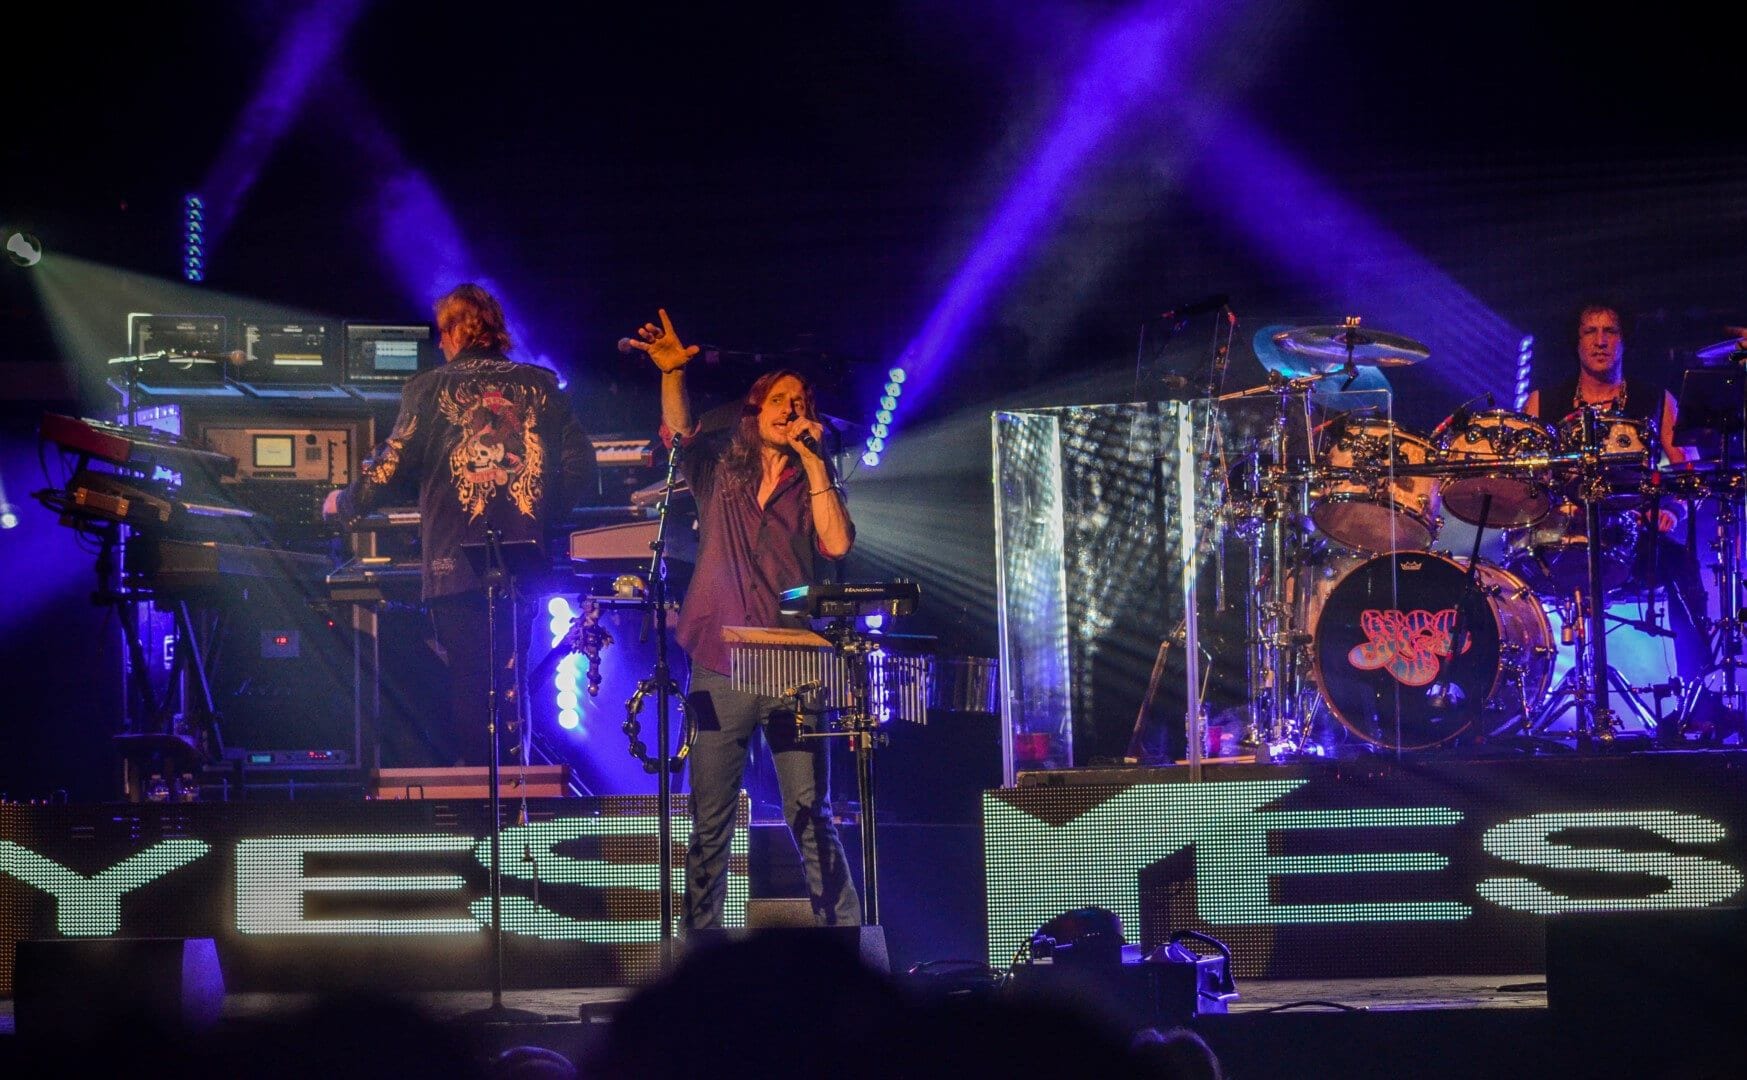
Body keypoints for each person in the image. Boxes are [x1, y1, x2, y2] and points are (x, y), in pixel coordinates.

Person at [625, 308, 860, 928]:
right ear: (756, 411)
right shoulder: (718, 468)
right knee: (710, 818)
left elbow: (837, 543)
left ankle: (843, 940)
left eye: (800, 401)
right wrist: (673, 374)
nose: (791, 407)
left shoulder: (813, 481)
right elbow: (680, 431)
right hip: (718, 663)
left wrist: (816, 462)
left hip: (792, 667)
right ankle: (701, 947)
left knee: (810, 813)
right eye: (780, 399)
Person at [324, 283, 596, 765]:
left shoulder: (428, 388)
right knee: (511, 680)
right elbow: (580, 469)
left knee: (470, 683)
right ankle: (514, 794)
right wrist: (537, 516)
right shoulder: (541, 385)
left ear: (453, 332)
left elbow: (390, 465)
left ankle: (480, 795)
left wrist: (344, 503)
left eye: (442, 333)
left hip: (454, 565)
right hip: (521, 562)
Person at [1523, 302, 1709, 725]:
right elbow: (1526, 478)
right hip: (1561, 539)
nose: (1601, 341)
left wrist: (1672, 509)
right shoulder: (1542, 401)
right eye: (1590, 331)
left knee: (1683, 568)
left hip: (1631, 540)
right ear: (1577, 343)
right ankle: (1518, 699)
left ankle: (1698, 700)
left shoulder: (1655, 399)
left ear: (1624, 342)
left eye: (1610, 331)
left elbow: (1690, 470)